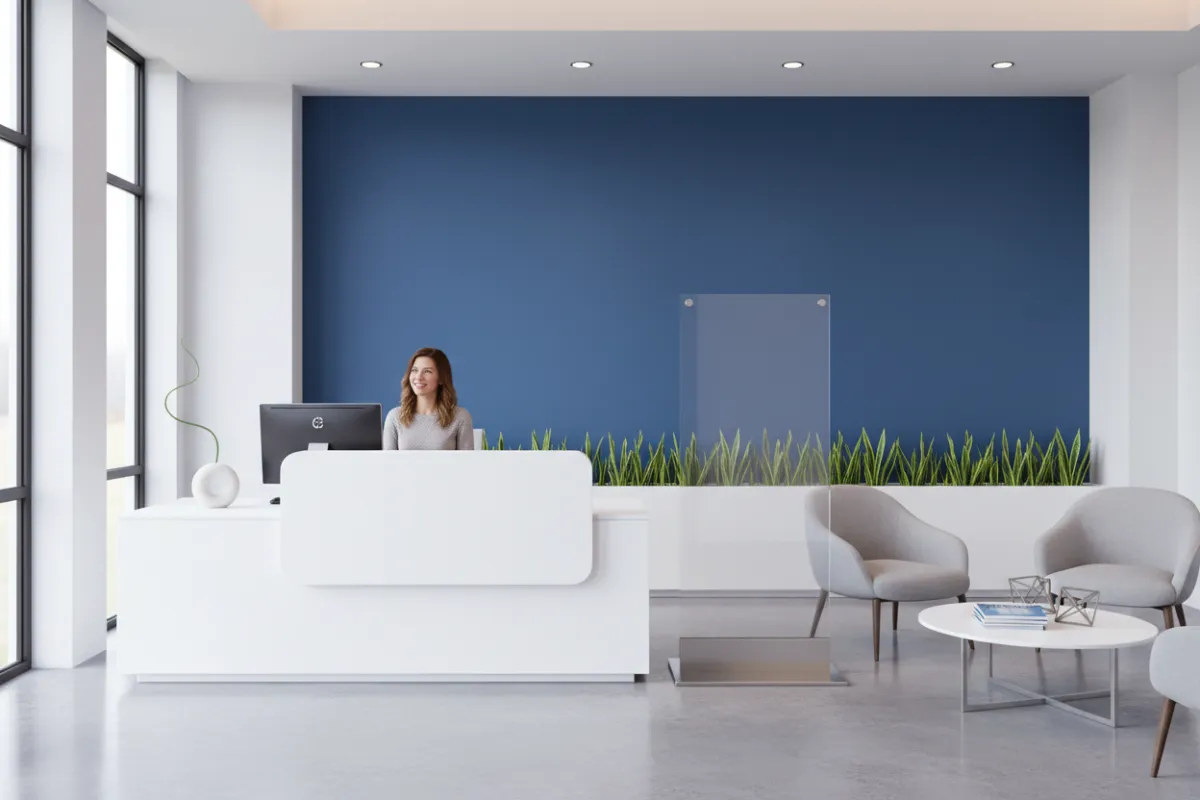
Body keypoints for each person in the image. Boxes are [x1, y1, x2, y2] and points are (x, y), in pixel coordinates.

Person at [383, 347, 475, 450]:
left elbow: (467, 464)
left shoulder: (460, 417)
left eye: (427, 371)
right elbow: (388, 463)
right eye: (414, 370)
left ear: (441, 378)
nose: (418, 377)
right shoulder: (395, 417)